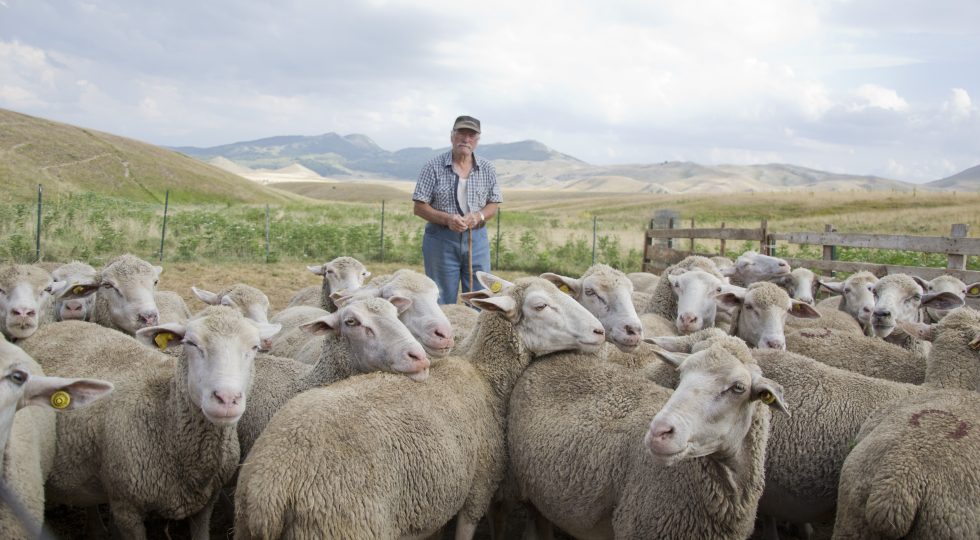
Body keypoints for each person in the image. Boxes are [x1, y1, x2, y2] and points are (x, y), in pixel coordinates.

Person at [412, 115, 502, 304]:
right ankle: (445, 334)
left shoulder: (488, 169)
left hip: (477, 240)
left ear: (477, 140)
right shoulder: (433, 167)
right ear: (452, 136)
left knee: (481, 297)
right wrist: (447, 219)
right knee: (441, 299)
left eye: (471, 135)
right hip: (440, 240)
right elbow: (419, 207)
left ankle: (477, 333)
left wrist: (478, 216)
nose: (466, 139)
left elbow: (493, 205)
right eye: (461, 133)